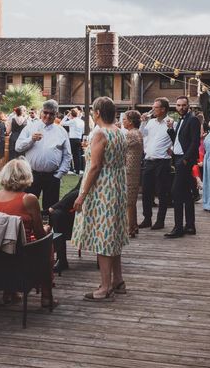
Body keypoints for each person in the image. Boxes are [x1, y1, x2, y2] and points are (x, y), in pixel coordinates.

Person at [72, 97, 128, 301]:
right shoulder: (119, 131)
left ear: (96, 113)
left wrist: (82, 195)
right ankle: (118, 280)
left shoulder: (100, 133)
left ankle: (105, 287)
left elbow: (95, 166)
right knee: (112, 235)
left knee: (104, 236)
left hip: (102, 188)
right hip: (117, 185)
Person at [0, 158, 56, 308]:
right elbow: (39, 234)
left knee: (11, 240)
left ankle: (9, 291)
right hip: (22, 254)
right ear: (26, 176)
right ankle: (46, 295)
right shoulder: (28, 199)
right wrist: (46, 229)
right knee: (47, 243)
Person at [15, 99, 72, 215]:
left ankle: (49, 230)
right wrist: (31, 139)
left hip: (52, 176)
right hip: (32, 175)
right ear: (41, 112)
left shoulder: (61, 131)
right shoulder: (30, 127)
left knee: (50, 209)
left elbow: (67, 156)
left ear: (56, 115)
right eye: (45, 112)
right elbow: (18, 147)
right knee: (27, 208)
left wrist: (59, 174)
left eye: (51, 114)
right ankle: (28, 230)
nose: (48, 116)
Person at [165, 96, 201, 238]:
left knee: (176, 192)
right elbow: (179, 140)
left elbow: (195, 142)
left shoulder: (192, 120)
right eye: (178, 105)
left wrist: (185, 160)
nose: (181, 107)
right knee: (186, 194)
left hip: (184, 160)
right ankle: (190, 226)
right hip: (178, 158)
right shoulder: (181, 121)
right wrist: (170, 131)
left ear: (188, 106)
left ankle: (178, 227)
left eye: (183, 105)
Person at [138, 97, 173, 230]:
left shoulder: (170, 122)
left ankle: (160, 220)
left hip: (163, 161)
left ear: (163, 109)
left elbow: (176, 139)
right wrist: (143, 122)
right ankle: (147, 218)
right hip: (149, 160)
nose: (152, 110)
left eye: (155, 107)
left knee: (162, 192)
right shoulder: (150, 122)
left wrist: (173, 150)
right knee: (146, 192)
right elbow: (141, 135)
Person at [122, 109, 144, 238]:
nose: (123, 122)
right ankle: (134, 225)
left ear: (130, 122)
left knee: (128, 201)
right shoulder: (138, 133)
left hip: (128, 170)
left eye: (124, 119)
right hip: (135, 169)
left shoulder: (130, 134)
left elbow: (120, 149)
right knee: (132, 199)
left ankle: (130, 228)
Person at [62, 108, 85, 174]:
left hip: (72, 139)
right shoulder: (81, 121)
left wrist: (66, 116)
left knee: (69, 154)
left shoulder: (72, 121)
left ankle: (71, 169)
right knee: (77, 155)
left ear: (71, 114)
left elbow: (62, 123)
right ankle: (78, 170)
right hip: (79, 138)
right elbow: (83, 131)